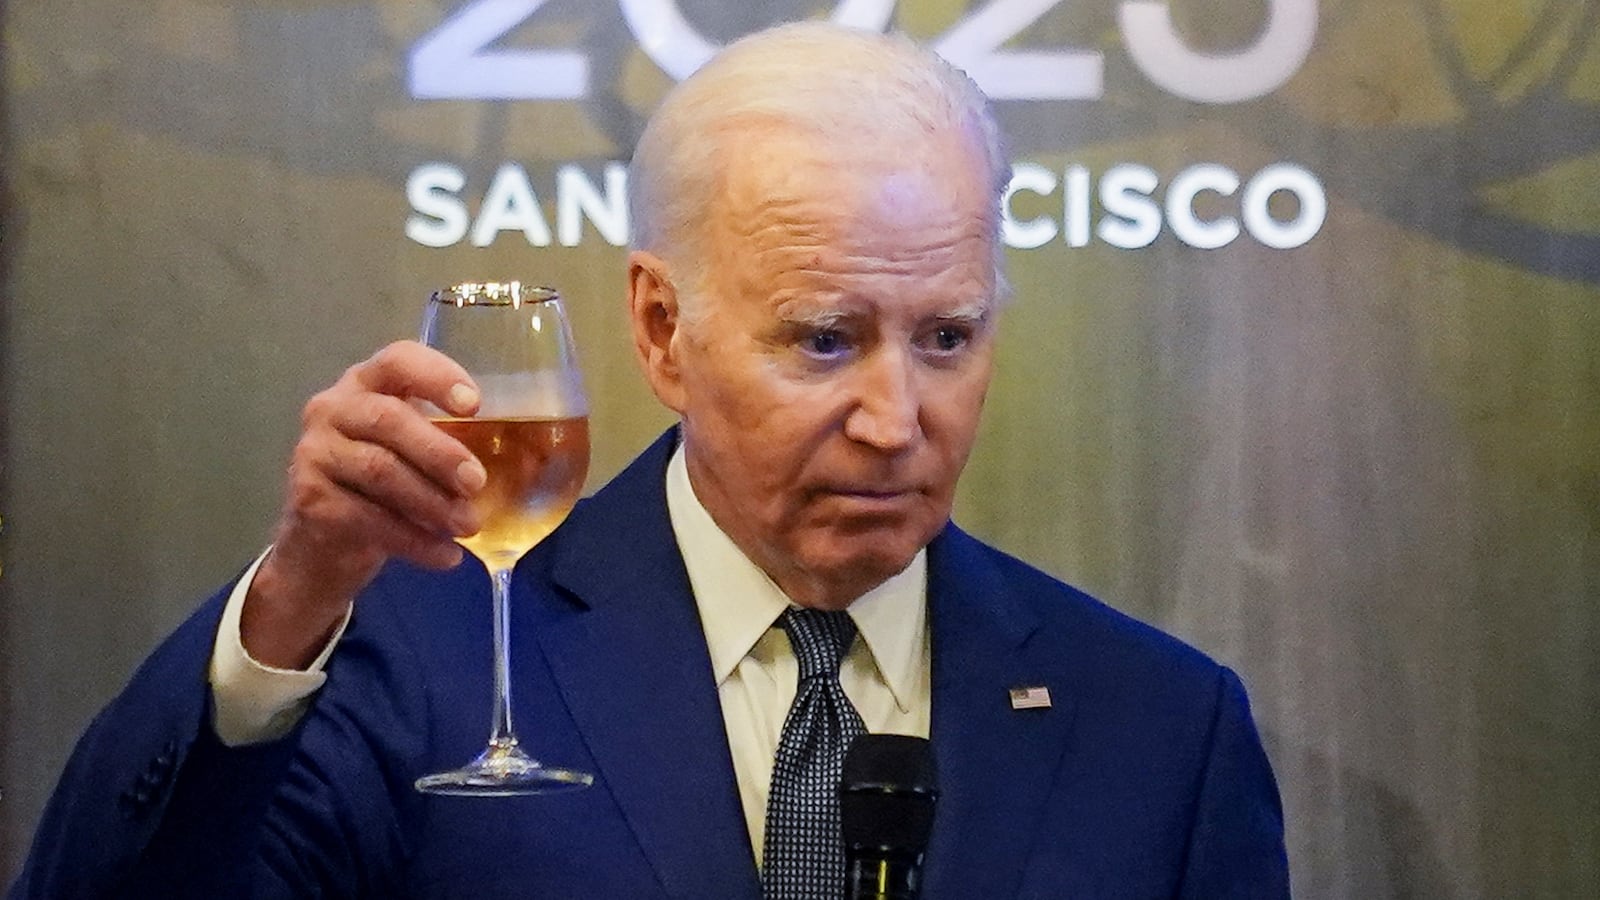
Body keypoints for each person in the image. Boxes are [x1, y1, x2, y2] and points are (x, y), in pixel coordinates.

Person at [12, 21, 1288, 899]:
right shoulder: (423, 669)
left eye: (946, 337)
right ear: (663, 330)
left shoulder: (1158, 729)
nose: (896, 419)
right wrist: (293, 601)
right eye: (825, 339)